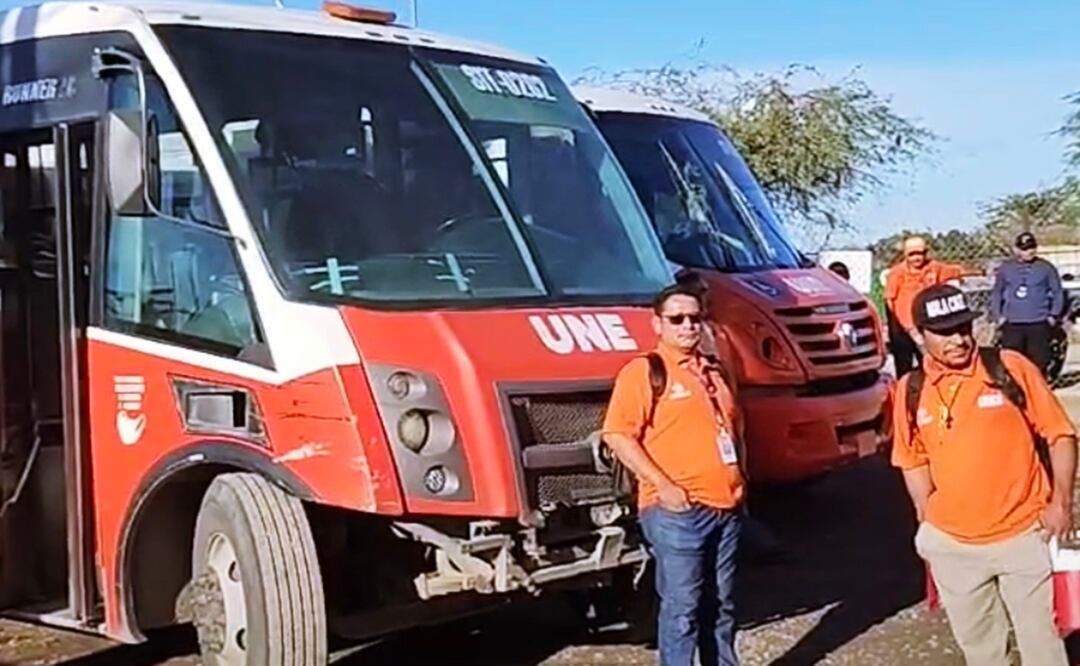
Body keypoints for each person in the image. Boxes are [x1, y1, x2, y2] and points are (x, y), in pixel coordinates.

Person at [892, 283, 1077, 666]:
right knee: (980, 651)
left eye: (963, 328)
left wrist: (1061, 502)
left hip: (1024, 536)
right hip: (953, 547)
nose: (958, 340)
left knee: (1042, 647)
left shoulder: (1009, 367)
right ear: (920, 334)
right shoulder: (910, 390)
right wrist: (928, 521)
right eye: (944, 332)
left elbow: (1060, 434)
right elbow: (911, 458)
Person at [603, 281, 745, 666]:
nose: (687, 326)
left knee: (722, 607)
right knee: (682, 609)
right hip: (678, 512)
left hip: (726, 509)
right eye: (677, 318)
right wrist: (665, 488)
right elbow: (617, 434)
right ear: (657, 324)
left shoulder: (713, 371)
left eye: (695, 318)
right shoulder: (645, 372)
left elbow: (734, 429)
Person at [884, 236, 964, 376]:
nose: (917, 258)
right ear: (905, 255)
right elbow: (890, 301)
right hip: (903, 327)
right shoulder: (897, 273)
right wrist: (904, 327)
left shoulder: (934, 268)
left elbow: (956, 271)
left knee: (929, 363)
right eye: (912, 254)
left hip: (927, 324)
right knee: (904, 366)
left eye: (920, 253)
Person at [990, 231, 1064, 376]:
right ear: (1016, 250)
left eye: (1031, 248)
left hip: (1038, 320)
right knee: (1012, 358)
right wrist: (998, 316)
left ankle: (1037, 385)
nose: (1028, 252)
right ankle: (1017, 387)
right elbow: (997, 292)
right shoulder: (1006, 268)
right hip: (1013, 322)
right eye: (1024, 249)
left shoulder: (1046, 268)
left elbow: (1057, 292)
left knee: (1039, 358)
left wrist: (1054, 315)